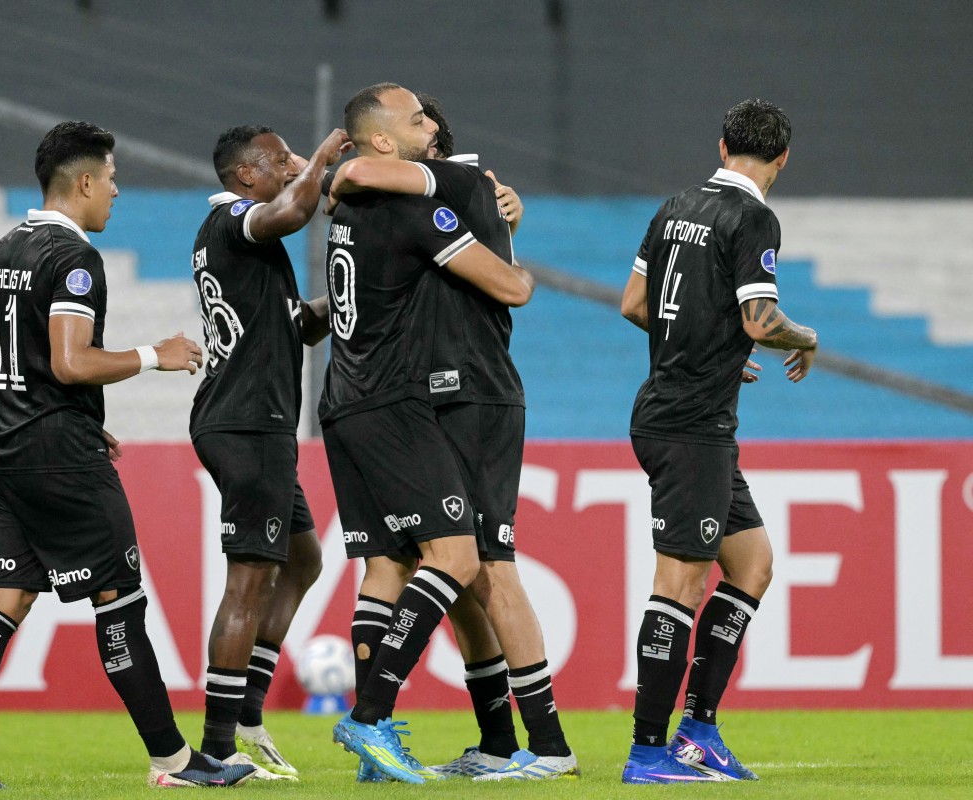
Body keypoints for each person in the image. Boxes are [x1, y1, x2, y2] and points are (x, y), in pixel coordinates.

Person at [0, 121, 252, 789]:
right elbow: (68, 361)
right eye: (111, 179)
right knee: (119, 601)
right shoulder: (74, 259)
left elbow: (18, 358)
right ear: (84, 181)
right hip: (61, 459)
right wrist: (154, 355)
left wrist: (80, 416)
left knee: (0, 602)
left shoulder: (7, 248)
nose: (116, 191)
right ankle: (173, 761)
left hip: (4, 450)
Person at [325, 93, 578, 781]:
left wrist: (330, 173)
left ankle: (538, 744)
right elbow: (361, 176)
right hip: (422, 399)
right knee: (457, 568)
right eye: (417, 120)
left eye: (428, 123)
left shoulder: (431, 193)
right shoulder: (423, 200)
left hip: (461, 395)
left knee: (470, 566)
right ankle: (498, 740)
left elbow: (353, 177)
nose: (429, 128)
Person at [618, 99, 817, 784]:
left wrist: (712, 343)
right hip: (689, 425)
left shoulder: (674, 207)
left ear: (723, 145)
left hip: (679, 416)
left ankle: (698, 733)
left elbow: (634, 303)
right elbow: (761, 319)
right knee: (679, 583)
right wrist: (805, 336)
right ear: (782, 157)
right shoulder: (754, 217)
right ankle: (648, 752)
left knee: (752, 563)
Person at [190, 124, 349, 779]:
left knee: (304, 559)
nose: (289, 167)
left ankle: (248, 714)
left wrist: (350, 295)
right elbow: (291, 211)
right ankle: (217, 748)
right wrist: (323, 159)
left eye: (291, 159)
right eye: (278, 159)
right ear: (245, 176)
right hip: (247, 423)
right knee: (250, 579)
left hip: (256, 422)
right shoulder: (236, 218)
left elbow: (299, 326)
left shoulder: (247, 249)